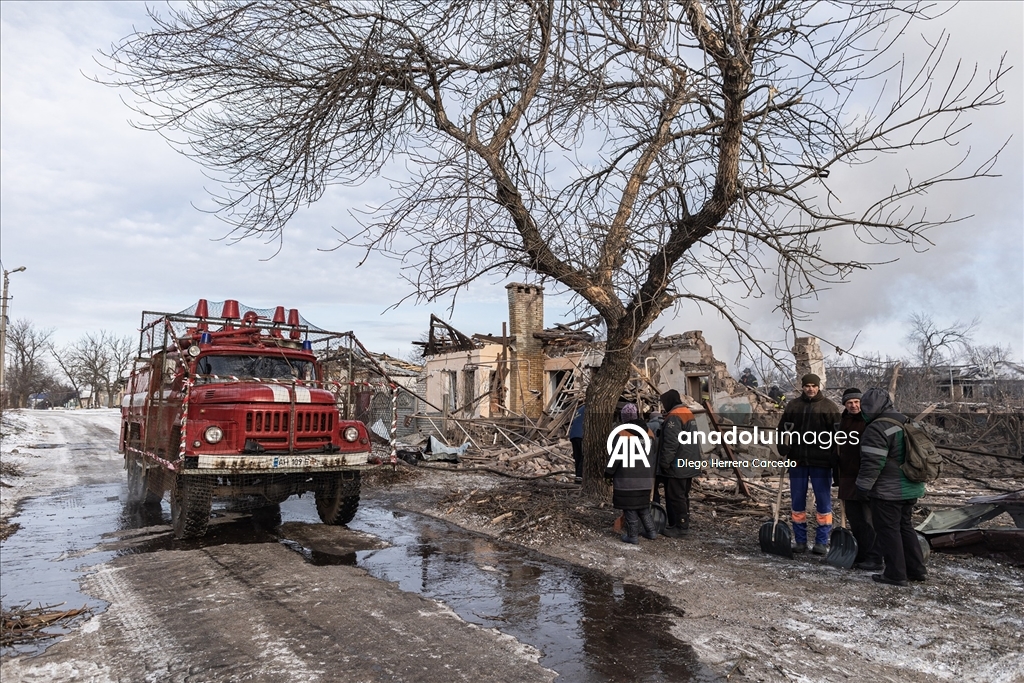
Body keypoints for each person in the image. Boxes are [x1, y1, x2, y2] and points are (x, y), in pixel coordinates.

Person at [855, 388, 927, 587]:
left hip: (889, 490)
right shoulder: (909, 422)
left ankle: (895, 574)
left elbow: (872, 463)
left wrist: (862, 488)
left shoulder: (877, 428)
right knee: (905, 527)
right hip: (913, 486)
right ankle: (917, 569)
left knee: (888, 530)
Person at [777, 373, 841, 554]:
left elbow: (838, 435)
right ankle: (800, 541)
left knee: (823, 502)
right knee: (797, 501)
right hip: (798, 460)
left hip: (821, 462)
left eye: (814, 385)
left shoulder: (829, 407)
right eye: (807, 386)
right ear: (802, 387)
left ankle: (821, 541)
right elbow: (782, 428)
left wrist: (836, 457)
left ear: (818, 386)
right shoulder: (793, 405)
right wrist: (782, 445)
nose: (810, 389)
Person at [835, 388, 882, 570]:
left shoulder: (871, 421)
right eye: (849, 403)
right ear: (845, 405)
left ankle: (875, 556)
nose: (854, 406)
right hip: (847, 476)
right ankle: (861, 553)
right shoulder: (843, 421)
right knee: (855, 519)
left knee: (869, 518)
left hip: (865, 476)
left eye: (857, 402)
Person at [604, 403, 657, 544]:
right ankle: (651, 531)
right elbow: (653, 454)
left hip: (627, 479)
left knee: (630, 508)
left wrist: (608, 474)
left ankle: (632, 536)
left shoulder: (621, 433)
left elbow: (615, 456)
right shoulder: (649, 432)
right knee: (644, 507)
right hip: (646, 478)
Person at [656, 390, 701, 538]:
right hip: (689, 462)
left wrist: (664, 463)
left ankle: (681, 526)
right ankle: (681, 522)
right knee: (683, 495)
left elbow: (670, 443)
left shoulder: (674, 417)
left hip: (678, 465)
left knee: (676, 495)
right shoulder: (686, 412)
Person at [569, 404, 585, 484]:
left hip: (573, 435)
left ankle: (577, 476)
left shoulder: (579, 409)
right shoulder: (590, 408)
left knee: (577, 456)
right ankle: (579, 476)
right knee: (584, 455)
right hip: (581, 434)